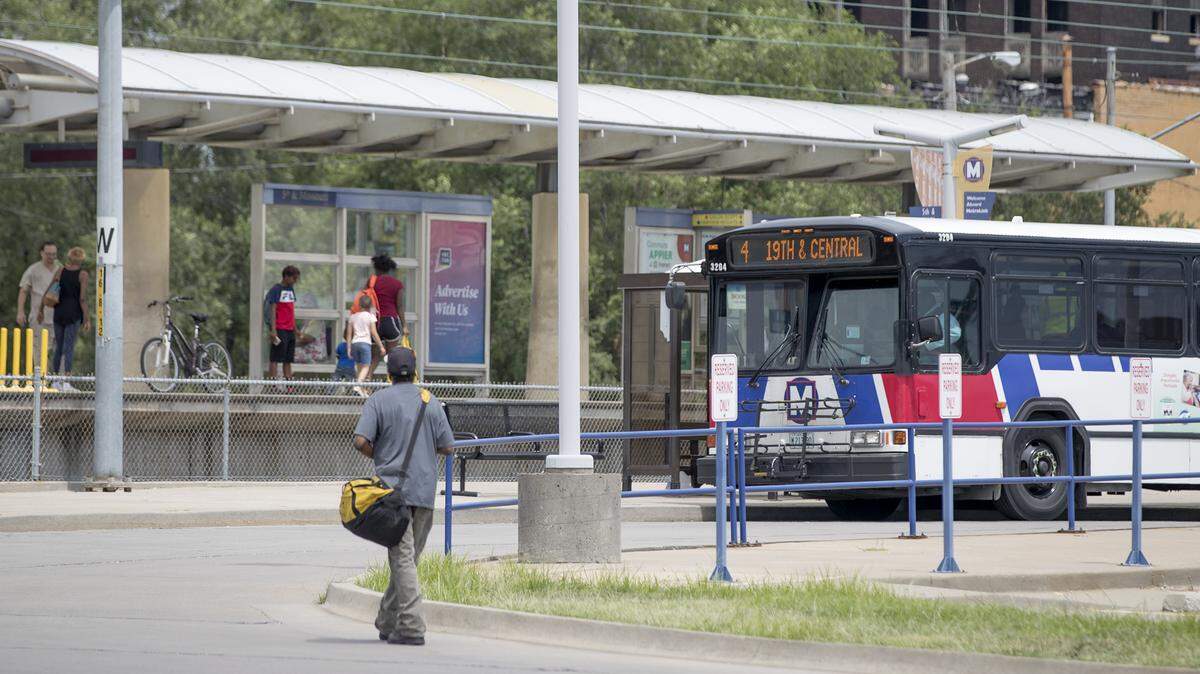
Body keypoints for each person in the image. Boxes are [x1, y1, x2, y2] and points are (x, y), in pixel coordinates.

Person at [352, 346, 454, 647]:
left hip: (390, 495)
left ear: (389, 374)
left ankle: (409, 626)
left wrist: (381, 453)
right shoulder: (429, 401)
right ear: (415, 373)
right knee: (408, 559)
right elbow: (448, 447)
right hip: (423, 492)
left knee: (403, 559)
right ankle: (388, 620)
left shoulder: (378, 400)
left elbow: (360, 441)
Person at [36, 247, 89, 390]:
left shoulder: (61, 270)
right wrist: (87, 318)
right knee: (69, 347)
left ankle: (55, 381)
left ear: (70, 258)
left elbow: (48, 289)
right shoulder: (83, 275)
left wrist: (41, 309)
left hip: (58, 313)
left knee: (59, 347)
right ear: (81, 259)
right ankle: (66, 381)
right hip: (73, 314)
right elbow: (82, 298)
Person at [16, 241, 61, 364]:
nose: (51, 257)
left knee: (61, 352)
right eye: (48, 254)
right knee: (39, 353)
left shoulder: (60, 269)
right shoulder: (33, 270)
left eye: (54, 254)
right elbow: (23, 291)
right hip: (39, 319)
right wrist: (20, 312)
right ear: (42, 253)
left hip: (58, 319)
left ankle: (61, 381)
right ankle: (41, 381)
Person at [366, 254, 407, 378]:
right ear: (389, 268)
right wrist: (404, 326)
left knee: (375, 356)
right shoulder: (397, 284)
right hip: (391, 321)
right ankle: (395, 382)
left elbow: (364, 300)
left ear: (376, 268)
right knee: (392, 355)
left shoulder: (372, 282)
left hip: (374, 323)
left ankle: (366, 381)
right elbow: (399, 306)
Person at [264, 266, 300, 385]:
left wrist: (295, 329)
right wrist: (273, 330)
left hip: (290, 329)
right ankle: (272, 385)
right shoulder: (276, 289)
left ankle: (289, 385)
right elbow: (273, 310)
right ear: (286, 276)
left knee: (288, 359)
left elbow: (291, 310)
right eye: (294, 278)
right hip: (280, 328)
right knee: (275, 358)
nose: (295, 281)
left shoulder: (290, 290)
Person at [345, 294, 385, 397]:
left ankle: (362, 391)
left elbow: (349, 334)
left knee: (359, 367)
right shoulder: (371, 317)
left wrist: (349, 348)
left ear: (359, 305)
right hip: (365, 343)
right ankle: (358, 386)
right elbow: (374, 333)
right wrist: (381, 346)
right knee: (366, 366)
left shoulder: (352, 317)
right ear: (371, 305)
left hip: (354, 343)